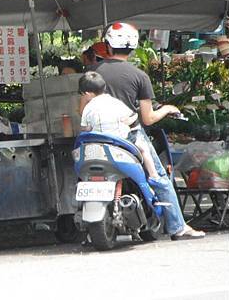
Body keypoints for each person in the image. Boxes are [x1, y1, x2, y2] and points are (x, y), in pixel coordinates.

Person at [81, 22, 204, 240]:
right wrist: (166, 109)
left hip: (98, 137)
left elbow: (82, 110)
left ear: (108, 45)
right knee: (160, 178)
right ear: (133, 47)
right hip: (129, 136)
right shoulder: (139, 76)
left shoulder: (93, 73)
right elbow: (147, 118)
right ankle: (178, 226)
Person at [79, 71, 160, 180]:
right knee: (143, 148)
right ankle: (154, 175)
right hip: (121, 143)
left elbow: (86, 129)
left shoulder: (87, 108)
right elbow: (131, 118)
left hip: (99, 146)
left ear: (87, 94)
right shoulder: (115, 103)